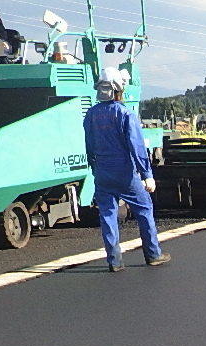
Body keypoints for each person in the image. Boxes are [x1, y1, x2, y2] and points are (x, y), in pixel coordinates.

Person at [82, 67, 169, 273]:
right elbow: (137, 147)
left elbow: (89, 145)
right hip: (125, 173)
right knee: (144, 209)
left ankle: (114, 260)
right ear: (119, 88)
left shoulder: (91, 114)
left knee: (108, 215)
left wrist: (95, 169)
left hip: (102, 172)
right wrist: (147, 175)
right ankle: (153, 254)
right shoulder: (125, 114)